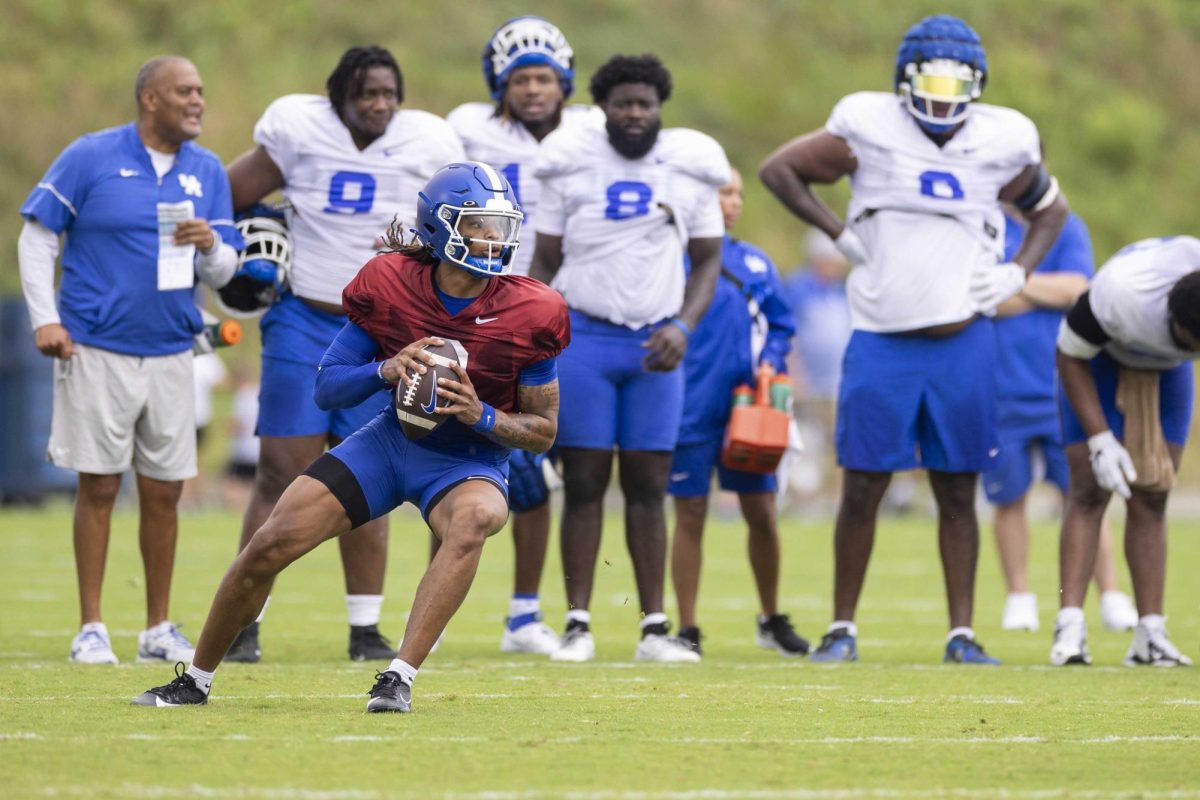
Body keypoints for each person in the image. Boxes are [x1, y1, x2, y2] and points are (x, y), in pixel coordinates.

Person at [133, 161, 569, 711]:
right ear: (438, 227)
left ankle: (398, 677)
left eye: (500, 227)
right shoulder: (389, 281)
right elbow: (329, 387)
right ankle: (194, 678)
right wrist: (386, 369)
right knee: (269, 543)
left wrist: (480, 415)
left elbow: (543, 431)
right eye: (477, 225)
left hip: (468, 461)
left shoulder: (534, 309)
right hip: (390, 444)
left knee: (476, 518)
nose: (492, 240)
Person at [759, 15, 1068, 664]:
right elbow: (780, 170)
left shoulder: (1002, 140)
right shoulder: (867, 127)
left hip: (964, 339)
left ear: (977, 84)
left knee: (958, 487)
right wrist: (839, 232)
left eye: (955, 82)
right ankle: (842, 626)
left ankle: (962, 633)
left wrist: (1018, 270)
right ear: (903, 80)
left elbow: (1051, 210)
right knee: (866, 483)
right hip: (882, 338)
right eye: (929, 79)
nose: (941, 95)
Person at [223, 46, 464, 663]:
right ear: (339, 98)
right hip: (303, 316)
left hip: (386, 327)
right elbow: (225, 193)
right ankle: (246, 617)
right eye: (366, 94)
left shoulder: (428, 141)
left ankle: (365, 626)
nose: (379, 104)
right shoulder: (299, 129)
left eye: (388, 94)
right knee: (281, 467)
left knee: (369, 471)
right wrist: (237, 251)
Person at [16, 56, 243, 664]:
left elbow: (228, 271)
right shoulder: (91, 155)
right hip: (96, 346)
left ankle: (157, 627)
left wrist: (213, 245)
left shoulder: (208, 169)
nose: (197, 101)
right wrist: (46, 317)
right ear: (150, 99)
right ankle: (91, 626)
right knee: (98, 485)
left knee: (165, 491)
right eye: (184, 92)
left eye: (200, 90)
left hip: (173, 350)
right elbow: (38, 235)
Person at [529, 53, 728, 663]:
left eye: (645, 103)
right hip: (586, 338)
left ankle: (652, 628)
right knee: (584, 483)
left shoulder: (689, 170)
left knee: (648, 486)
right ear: (603, 108)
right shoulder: (571, 166)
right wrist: (539, 330)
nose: (635, 114)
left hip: (655, 345)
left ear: (659, 108)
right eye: (623, 103)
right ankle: (579, 625)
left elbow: (709, 261)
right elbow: (544, 261)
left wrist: (685, 326)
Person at [446, 16, 602, 655]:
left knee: (553, 461)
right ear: (499, 82)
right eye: (521, 78)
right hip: (486, 315)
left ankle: (527, 614)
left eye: (544, 77)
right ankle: (454, 601)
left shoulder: (595, 129)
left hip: (570, 311)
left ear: (564, 81)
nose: (534, 89)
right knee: (462, 455)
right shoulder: (466, 129)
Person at [668, 168, 809, 658]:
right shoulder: (672, 257)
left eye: (738, 193)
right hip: (687, 402)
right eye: (723, 192)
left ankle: (770, 618)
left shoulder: (754, 261)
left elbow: (782, 325)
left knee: (762, 512)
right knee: (689, 511)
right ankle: (687, 627)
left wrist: (771, 363)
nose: (733, 201)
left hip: (747, 406)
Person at [986, 210, 1138, 633]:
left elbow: (1077, 289)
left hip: (1063, 387)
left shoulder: (1067, 225)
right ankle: (1019, 597)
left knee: (1086, 496)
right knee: (1008, 497)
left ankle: (1110, 594)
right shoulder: (985, 221)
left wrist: (1012, 282)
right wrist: (1041, 289)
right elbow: (982, 299)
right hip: (1001, 388)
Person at [1051, 236, 1199, 667]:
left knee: (1154, 493)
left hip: (1167, 371)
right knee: (1088, 489)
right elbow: (1068, 354)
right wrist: (1100, 440)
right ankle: (1070, 626)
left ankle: (1150, 635)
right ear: (1176, 323)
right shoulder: (1122, 296)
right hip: (1098, 359)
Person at [781, 229, 851, 508]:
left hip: (838, 382)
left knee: (838, 444)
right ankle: (802, 501)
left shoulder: (842, 290)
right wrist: (795, 374)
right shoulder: (798, 287)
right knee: (806, 443)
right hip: (808, 382)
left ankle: (833, 500)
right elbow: (790, 335)